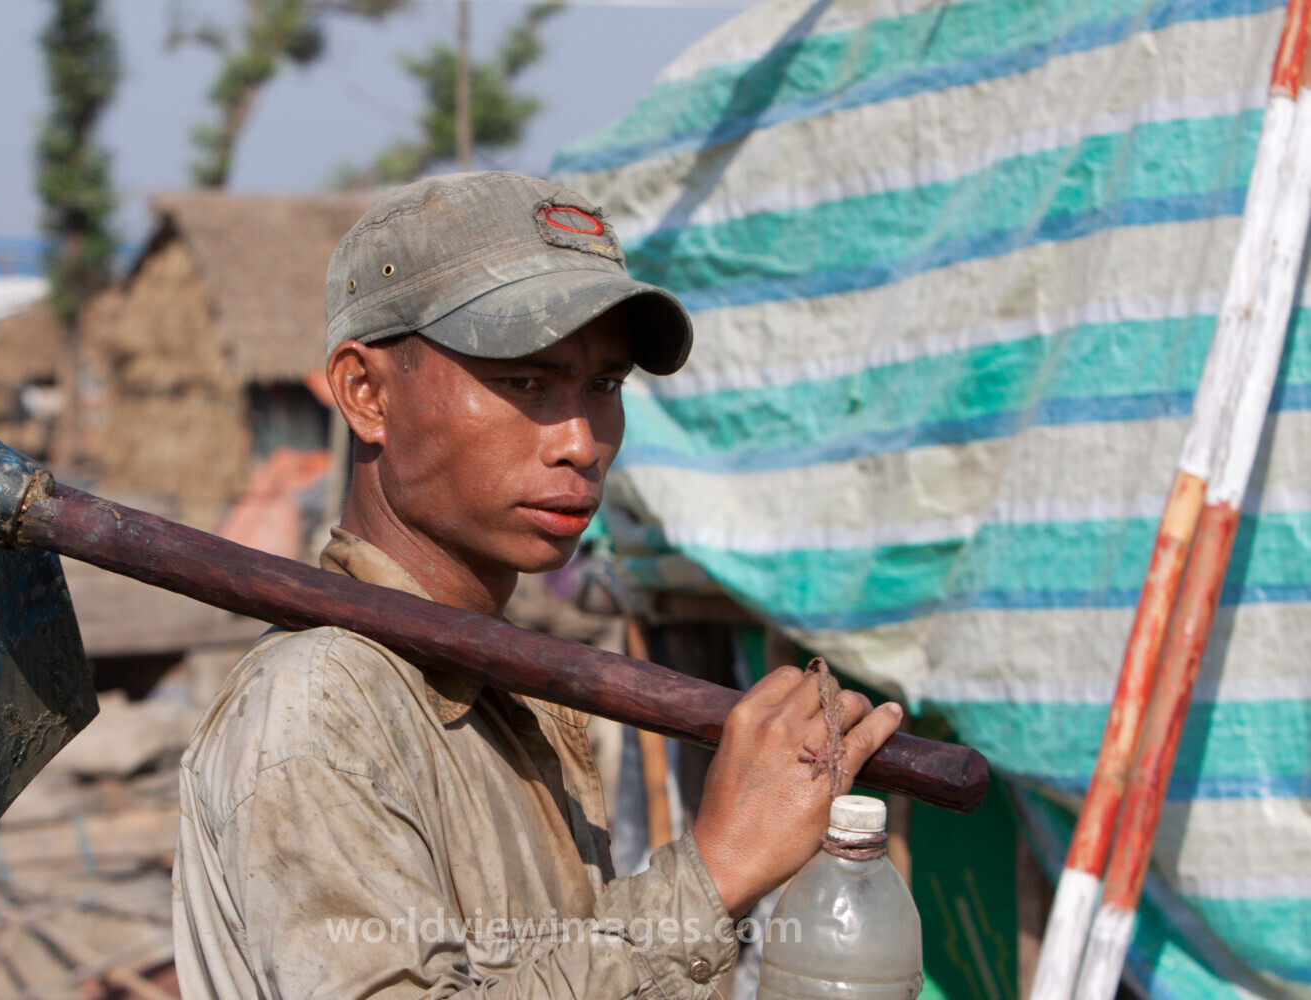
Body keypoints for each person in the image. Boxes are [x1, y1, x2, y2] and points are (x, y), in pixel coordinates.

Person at [172, 171, 904, 999]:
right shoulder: (316, 707)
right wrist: (716, 873)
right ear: (366, 393)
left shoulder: (506, 695)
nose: (582, 442)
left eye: (604, 386)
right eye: (526, 381)